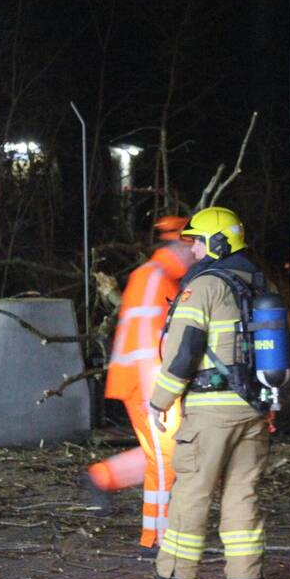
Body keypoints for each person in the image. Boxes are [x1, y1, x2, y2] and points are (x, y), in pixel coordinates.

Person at [141, 206, 271, 579]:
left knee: (191, 493)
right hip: (254, 409)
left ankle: (177, 578)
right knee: (242, 493)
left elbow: (183, 353)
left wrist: (159, 400)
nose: (193, 251)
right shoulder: (262, 284)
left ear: (216, 243)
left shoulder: (206, 286)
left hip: (211, 411)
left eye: (196, 242)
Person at [82, 216, 193, 557]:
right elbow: (149, 343)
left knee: (162, 456)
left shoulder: (156, 278)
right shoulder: (155, 279)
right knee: (168, 460)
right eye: (191, 247)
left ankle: (103, 476)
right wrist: (160, 396)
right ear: (177, 245)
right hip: (148, 384)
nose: (196, 255)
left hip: (146, 383)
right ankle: (157, 539)